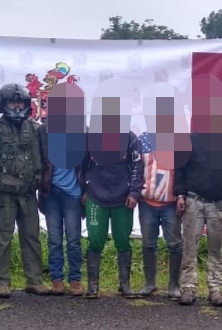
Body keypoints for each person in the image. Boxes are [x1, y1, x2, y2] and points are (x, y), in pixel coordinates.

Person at [175, 100, 222, 307]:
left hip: (219, 203)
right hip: (194, 200)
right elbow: (180, 170)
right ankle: (188, 287)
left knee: (216, 248)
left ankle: (215, 289)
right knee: (190, 247)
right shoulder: (190, 140)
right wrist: (180, 195)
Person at [0, 83, 51, 296]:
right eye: (12, 102)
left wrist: (41, 187)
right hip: (4, 194)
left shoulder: (34, 128)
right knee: (3, 239)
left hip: (28, 194)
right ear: (2, 104)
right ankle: (2, 282)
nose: (17, 106)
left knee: (31, 237)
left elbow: (42, 159)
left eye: (20, 102)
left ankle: (34, 280)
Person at [81, 96, 143, 299]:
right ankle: (93, 286)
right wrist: (84, 190)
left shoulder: (130, 138)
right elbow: (82, 167)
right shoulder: (90, 138)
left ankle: (124, 285)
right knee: (95, 241)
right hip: (95, 198)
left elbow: (137, 167)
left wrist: (134, 193)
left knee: (123, 241)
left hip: (123, 199)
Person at [136, 94, 186, 299]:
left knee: (174, 244)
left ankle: (174, 285)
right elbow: (136, 169)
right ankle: (150, 283)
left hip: (170, 203)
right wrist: (135, 192)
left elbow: (183, 172)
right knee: (148, 244)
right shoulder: (143, 139)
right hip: (146, 202)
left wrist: (181, 195)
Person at [40, 82, 87, 295]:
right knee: (54, 239)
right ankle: (56, 279)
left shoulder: (83, 131)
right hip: (51, 193)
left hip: (74, 194)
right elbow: (39, 161)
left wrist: (86, 190)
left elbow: (88, 164)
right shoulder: (44, 130)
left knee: (74, 240)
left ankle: (75, 279)